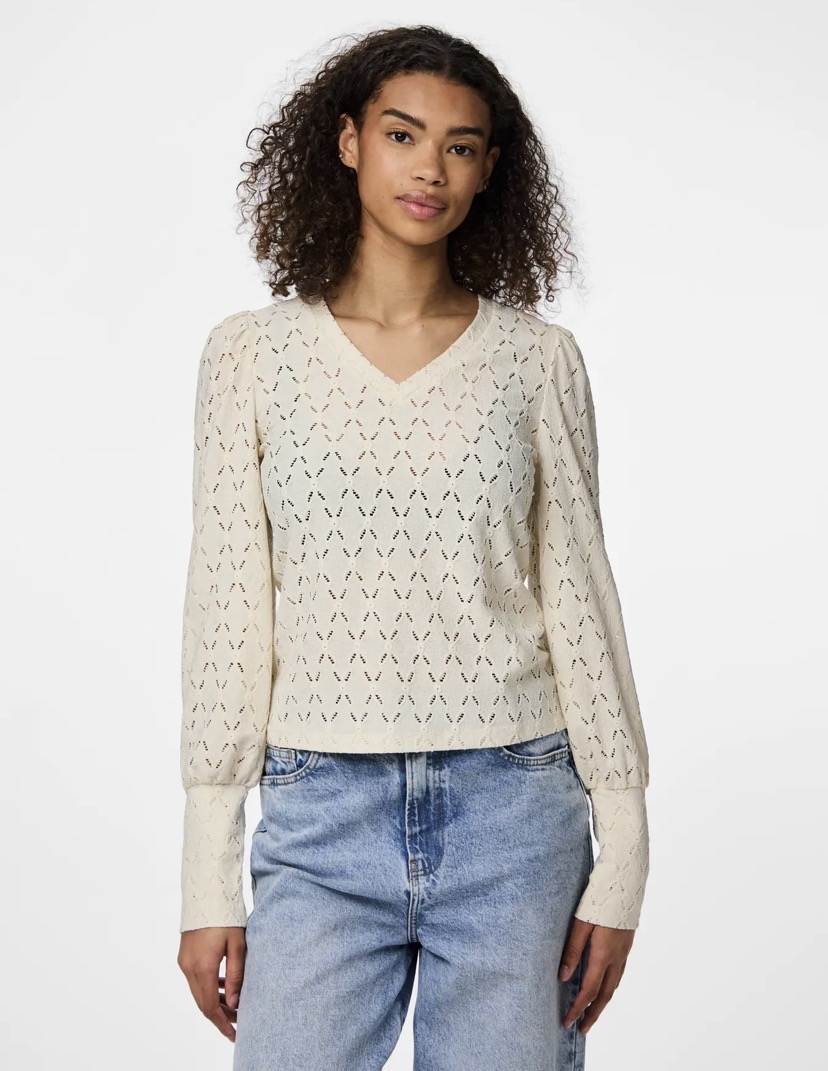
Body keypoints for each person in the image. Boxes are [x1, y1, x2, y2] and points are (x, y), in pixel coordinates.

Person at [176, 23, 651, 1071]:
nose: (430, 167)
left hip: (516, 811)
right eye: (402, 135)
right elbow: (226, 610)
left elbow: (582, 601)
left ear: (488, 171)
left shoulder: (536, 362)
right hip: (318, 815)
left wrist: (622, 854)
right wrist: (208, 873)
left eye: (461, 146)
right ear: (348, 142)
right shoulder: (251, 357)